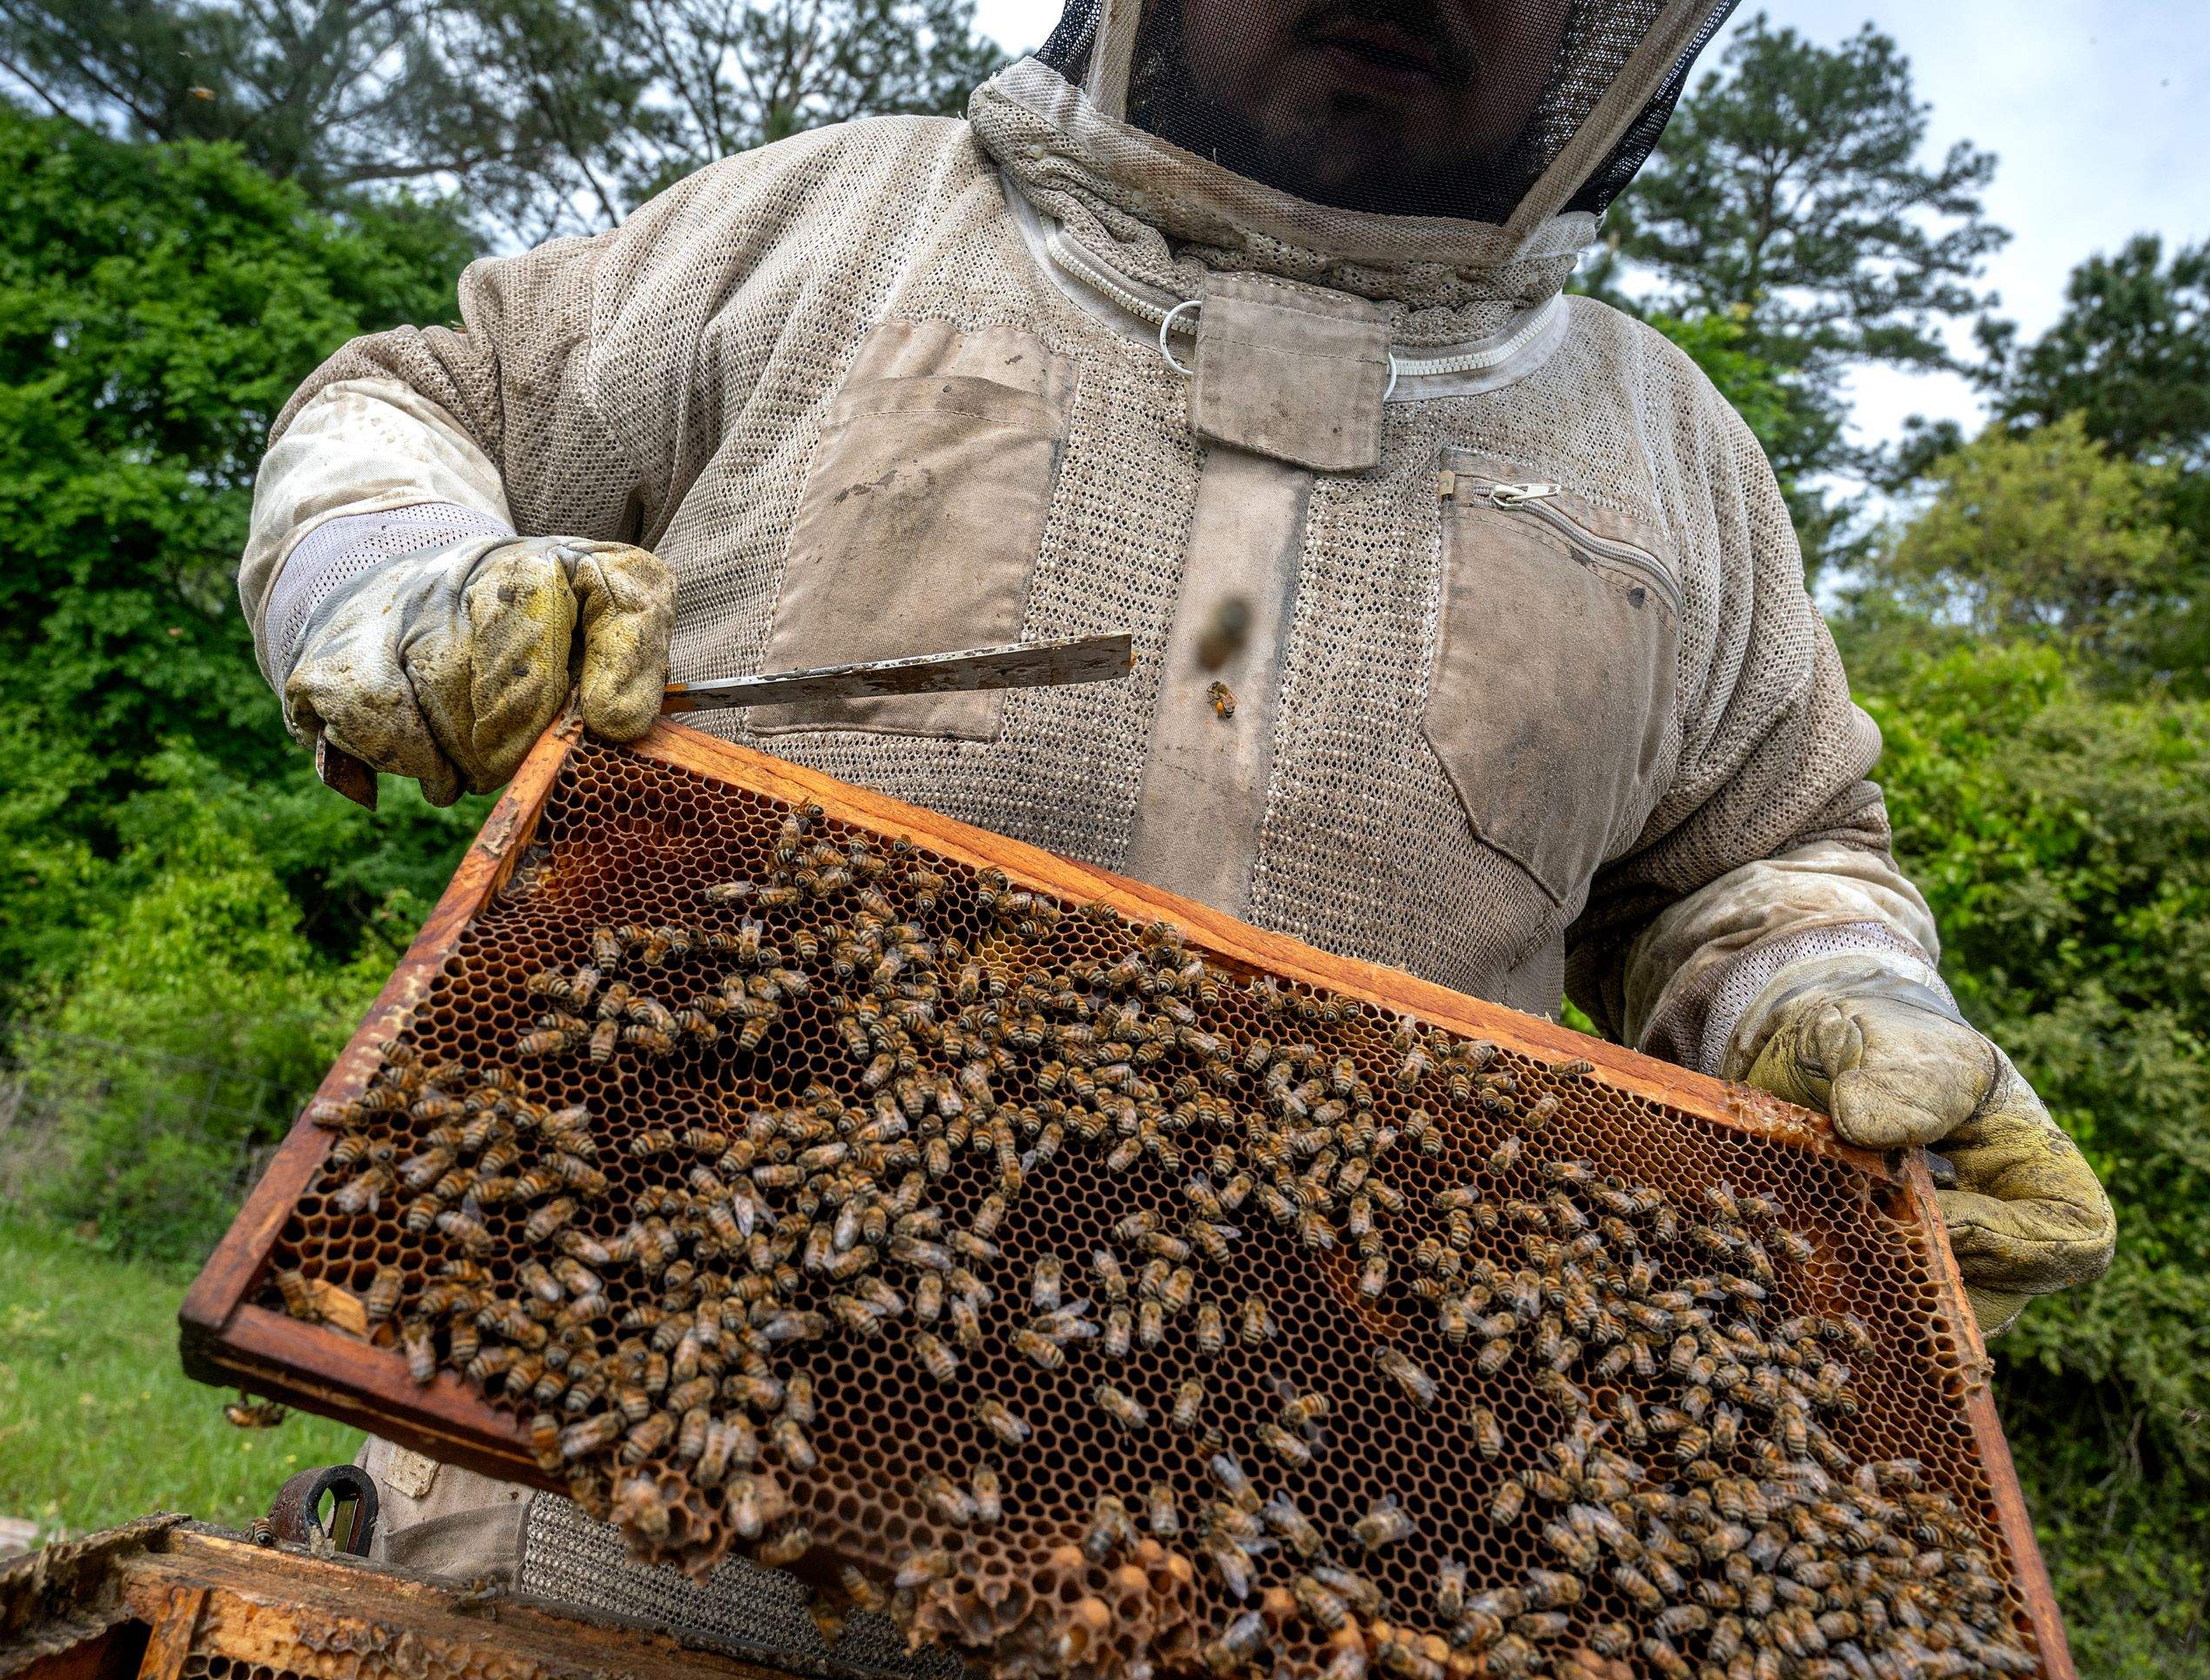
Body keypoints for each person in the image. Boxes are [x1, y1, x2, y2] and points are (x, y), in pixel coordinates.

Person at [238, 0, 2115, 1626]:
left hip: (1298, 1563)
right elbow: (421, 402)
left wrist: (1829, 993)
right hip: (602, 1503)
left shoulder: (1670, 451)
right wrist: (406, 578)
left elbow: (1770, 854)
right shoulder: (830, 222)